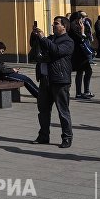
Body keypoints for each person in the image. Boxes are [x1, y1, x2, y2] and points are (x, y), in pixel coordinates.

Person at [31, 16, 74, 148]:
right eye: (53, 24)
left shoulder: (68, 41)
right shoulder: (50, 39)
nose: (53, 26)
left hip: (60, 81)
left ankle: (67, 137)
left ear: (64, 27)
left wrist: (43, 38)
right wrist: (34, 36)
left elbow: (56, 51)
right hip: (45, 79)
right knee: (43, 110)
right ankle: (43, 136)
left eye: (56, 24)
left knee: (63, 111)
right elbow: (35, 47)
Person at [68, 18, 94, 99]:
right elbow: (81, 40)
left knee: (85, 72)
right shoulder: (73, 32)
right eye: (79, 22)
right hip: (78, 55)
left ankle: (84, 91)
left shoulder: (75, 30)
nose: (81, 24)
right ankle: (80, 93)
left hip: (81, 55)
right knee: (82, 72)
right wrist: (82, 32)